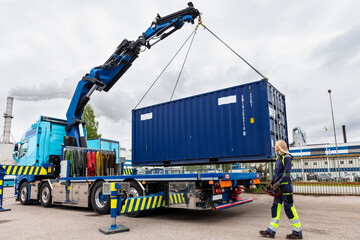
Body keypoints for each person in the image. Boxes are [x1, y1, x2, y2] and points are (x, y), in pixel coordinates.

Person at [259, 140, 303, 239]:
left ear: (279, 147)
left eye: (275, 145)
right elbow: (277, 173)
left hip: (286, 187)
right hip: (278, 188)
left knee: (289, 208)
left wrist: (278, 183)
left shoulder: (287, 157)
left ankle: (297, 232)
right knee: (275, 208)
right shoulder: (279, 158)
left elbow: (286, 174)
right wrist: (272, 180)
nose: (274, 146)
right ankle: (271, 231)